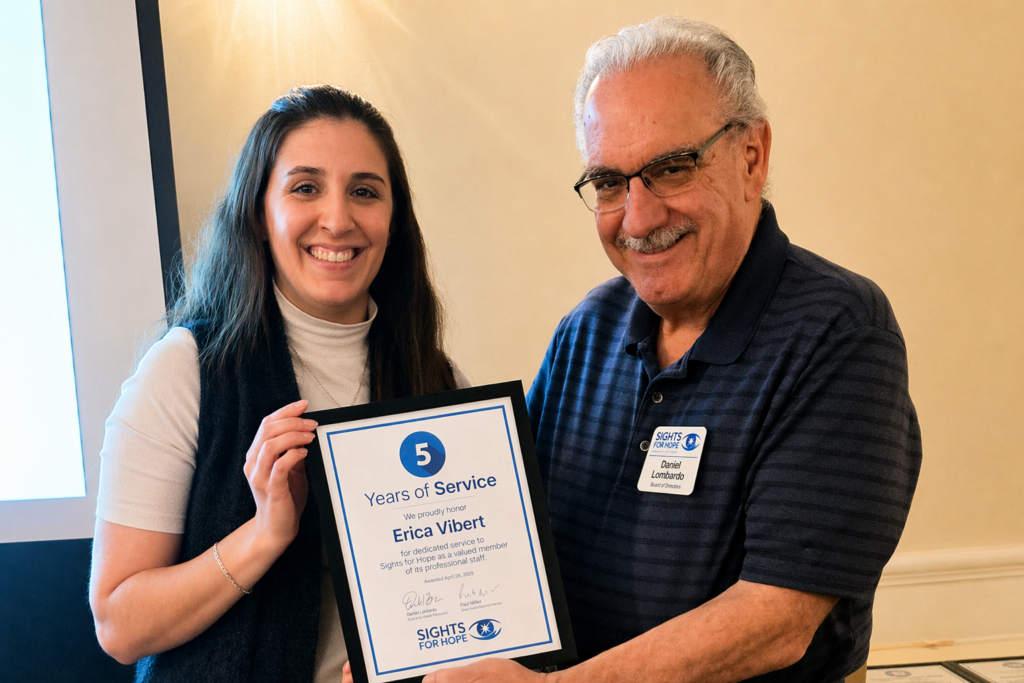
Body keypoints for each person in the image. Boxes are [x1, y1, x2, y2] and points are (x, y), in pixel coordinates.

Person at [420, 16, 921, 683]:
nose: (638, 215)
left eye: (671, 168)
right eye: (607, 182)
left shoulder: (839, 329)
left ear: (752, 158)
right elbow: (511, 544)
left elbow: (776, 617)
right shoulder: (586, 331)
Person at [89, 84, 465, 683]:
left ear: (393, 223)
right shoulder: (186, 370)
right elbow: (119, 626)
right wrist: (265, 535)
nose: (337, 219)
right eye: (305, 188)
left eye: (364, 192)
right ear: (260, 215)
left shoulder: (438, 381)